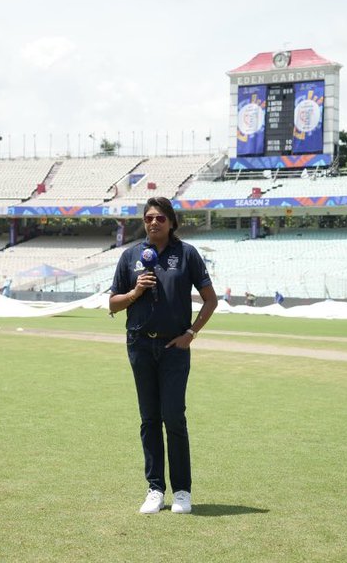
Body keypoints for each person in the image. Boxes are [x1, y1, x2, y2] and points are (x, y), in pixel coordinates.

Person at [109, 197, 218, 515]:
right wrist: (134, 292)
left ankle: (182, 491)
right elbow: (113, 304)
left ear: (171, 222)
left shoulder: (186, 255)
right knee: (149, 420)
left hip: (174, 349)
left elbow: (210, 300)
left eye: (159, 218)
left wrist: (191, 333)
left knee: (174, 418)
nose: (153, 223)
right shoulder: (130, 256)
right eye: (148, 218)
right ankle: (155, 489)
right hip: (140, 346)